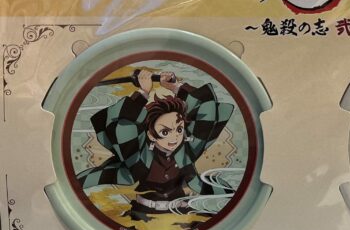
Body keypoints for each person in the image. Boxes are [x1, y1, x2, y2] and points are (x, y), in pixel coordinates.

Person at [77, 70, 234, 221]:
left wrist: (176, 87)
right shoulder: (138, 153)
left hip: (183, 213)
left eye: (179, 129)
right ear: (151, 134)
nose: (175, 137)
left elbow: (206, 106)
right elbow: (118, 123)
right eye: (165, 132)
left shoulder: (188, 149)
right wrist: (143, 93)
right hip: (141, 216)